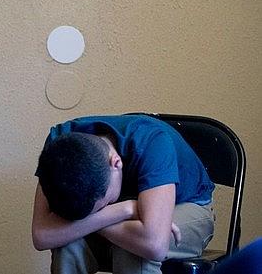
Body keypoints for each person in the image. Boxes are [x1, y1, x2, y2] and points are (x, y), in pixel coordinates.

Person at [32, 114, 215, 274]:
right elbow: (42, 236)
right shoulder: (59, 147)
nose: (99, 211)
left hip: (187, 205)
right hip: (129, 210)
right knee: (68, 246)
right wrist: (126, 209)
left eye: (101, 206)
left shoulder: (153, 142)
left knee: (133, 248)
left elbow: (154, 245)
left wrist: (82, 224)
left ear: (116, 163)